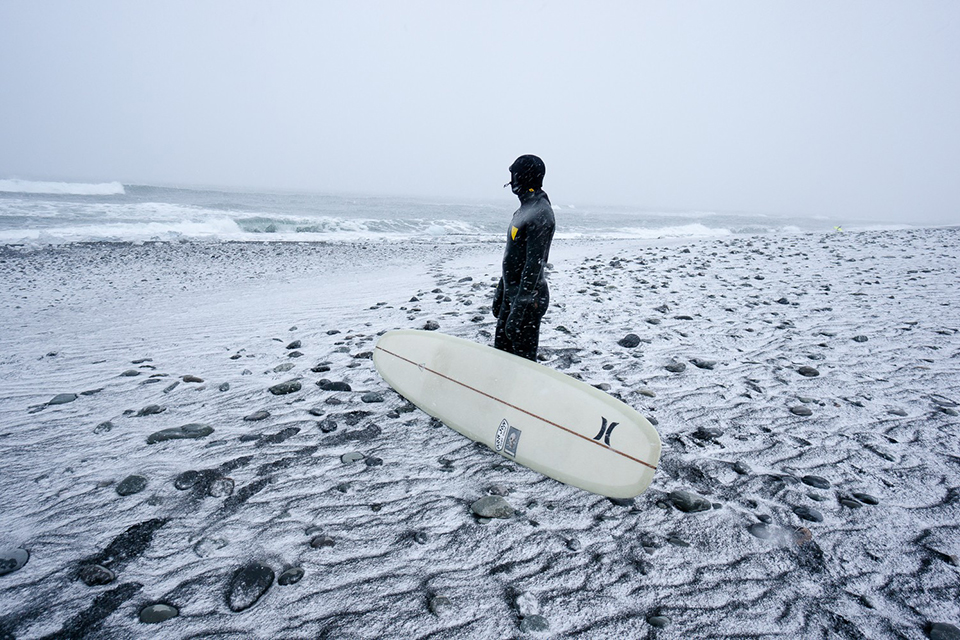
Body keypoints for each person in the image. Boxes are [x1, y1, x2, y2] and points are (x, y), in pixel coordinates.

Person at [492, 154, 555, 361]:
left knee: (521, 361)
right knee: (502, 355)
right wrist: (501, 290)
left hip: (528, 299)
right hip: (513, 294)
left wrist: (519, 309)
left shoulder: (541, 212)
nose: (511, 181)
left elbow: (534, 264)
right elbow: (513, 256)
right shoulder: (524, 209)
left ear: (523, 176)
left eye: (514, 174)